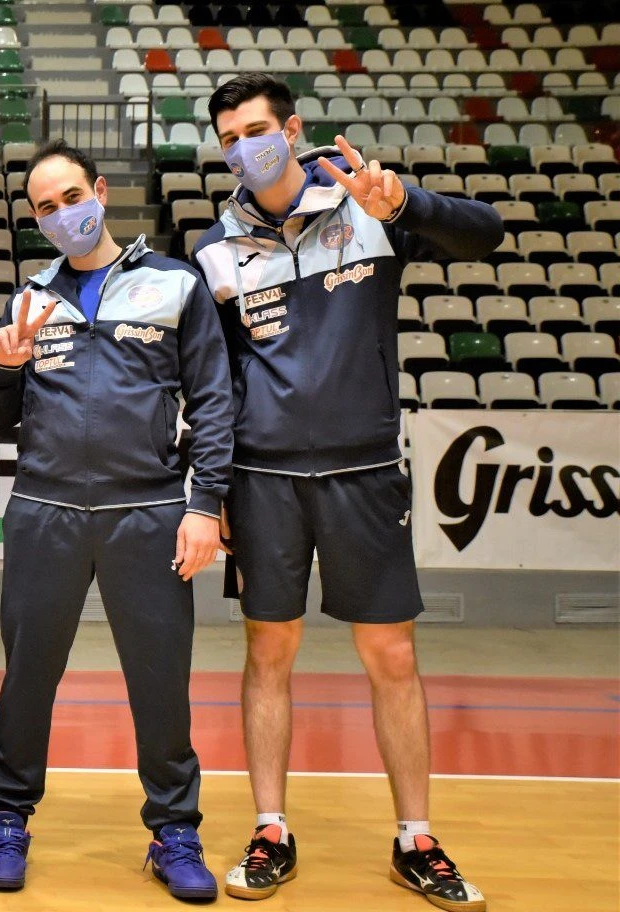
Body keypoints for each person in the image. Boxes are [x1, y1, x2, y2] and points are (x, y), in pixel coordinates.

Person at [191, 74, 502, 911]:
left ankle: (416, 840)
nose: (244, 147)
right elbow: (215, 385)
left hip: (364, 473)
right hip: (263, 481)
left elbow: (487, 234)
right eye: (229, 138)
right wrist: (212, 490)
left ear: (293, 129)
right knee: (269, 652)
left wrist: (405, 202)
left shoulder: (368, 208)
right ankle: (270, 829)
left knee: (392, 656)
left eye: (256, 129)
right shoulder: (215, 250)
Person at [0, 140, 233, 899]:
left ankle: (175, 830)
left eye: (72, 197)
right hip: (45, 510)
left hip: (148, 511)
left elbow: (214, 401)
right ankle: (7, 818)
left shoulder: (175, 285)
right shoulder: (28, 299)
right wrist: (3, 367)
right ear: (36, 220)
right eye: (46, 208)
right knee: (27, 677)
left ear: (100, 191)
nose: (64, 215)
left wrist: (205, 504)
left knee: (161, 681)